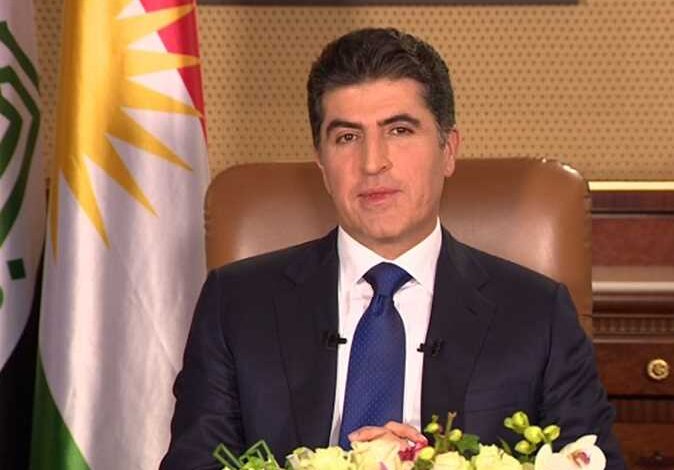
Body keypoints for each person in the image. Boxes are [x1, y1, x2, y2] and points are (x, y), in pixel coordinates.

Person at [161, 28, 625, 469]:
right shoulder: (237, 304)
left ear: (448, 150)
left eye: (399, 130)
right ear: (322, 164)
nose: (372, 162)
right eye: (347, 137)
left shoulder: (537, 314)